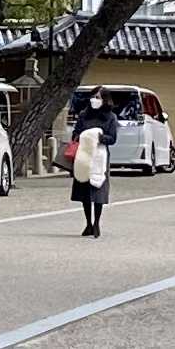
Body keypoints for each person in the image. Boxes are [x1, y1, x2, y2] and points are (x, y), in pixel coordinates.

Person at [70, 89, 120, 238]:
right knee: (84, 189)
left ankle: (97, 223)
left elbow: (112, 138)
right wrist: (81, 136)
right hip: (84, 155)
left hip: (100, 156)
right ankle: (88, 223)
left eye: (97, 97)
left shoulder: (110, 117)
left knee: (98, 189)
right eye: (93, 96)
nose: (94, 99)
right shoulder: (84, 115)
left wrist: (98, 137)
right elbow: (76, 133)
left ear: (105, 99)